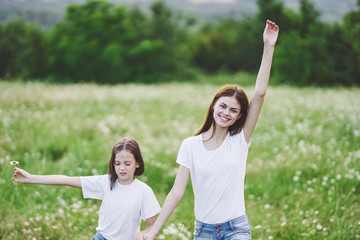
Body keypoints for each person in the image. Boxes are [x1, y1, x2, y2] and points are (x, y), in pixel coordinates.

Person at [143, 20, 279, 240]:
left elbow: (260, 94)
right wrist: (153, 232)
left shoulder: (240, 139)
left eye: (233, 110)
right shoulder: (190, 145)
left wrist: (268, 46)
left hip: (236, 229)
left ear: (239, 116)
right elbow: (176, 193)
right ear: (214, 105)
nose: (226, 113)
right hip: (204, 231)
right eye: (223, 106)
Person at [12, 137, 161, 240]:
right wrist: (30, 178)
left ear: (137, 163)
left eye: (127, 163)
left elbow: (152, 226)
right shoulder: (106, 182)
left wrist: (142, 234)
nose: (122, 168)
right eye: (117, 163)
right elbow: (66, 180)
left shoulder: (144, 191)